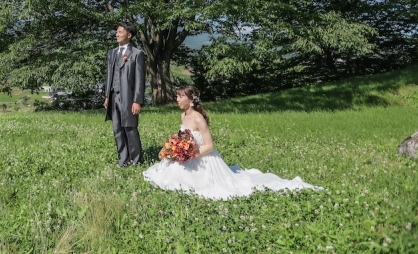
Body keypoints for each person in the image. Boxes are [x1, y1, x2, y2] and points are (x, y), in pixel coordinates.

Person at [142, 85, 321, 200]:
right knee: (166, 174)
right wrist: (175, 148)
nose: (177, 99)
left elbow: (210, 146)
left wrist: (190, 154)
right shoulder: (183, 115)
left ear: (191, 99)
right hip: (188, 155)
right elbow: (183, 137)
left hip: (202, 157)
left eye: (180, 97)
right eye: (177, 96)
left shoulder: (198, 118)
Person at [104, 21, 145, 167]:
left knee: (130, 128)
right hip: (113, 96)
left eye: (120, 32)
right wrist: (107, 96)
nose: (117, 34)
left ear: (129, 35)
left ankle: (135, 160)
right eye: (117, 32)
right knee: (117, 129)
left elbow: (140, 79)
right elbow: (109, 76)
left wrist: (137, 101)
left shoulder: (137, 54)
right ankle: (123, 160)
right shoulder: (112, 53)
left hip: (128, 97)